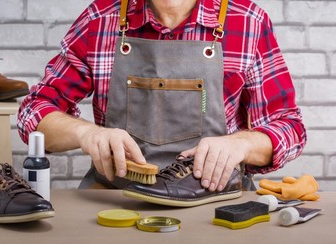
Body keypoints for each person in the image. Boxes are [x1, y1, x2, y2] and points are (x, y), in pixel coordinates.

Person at [17, 0, 306, 191]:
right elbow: (34, 111)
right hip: (119, 198)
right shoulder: (100, 20)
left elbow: (289, 126)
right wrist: (86, 133)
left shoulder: (248, 22)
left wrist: (241, 144)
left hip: (214, 200)